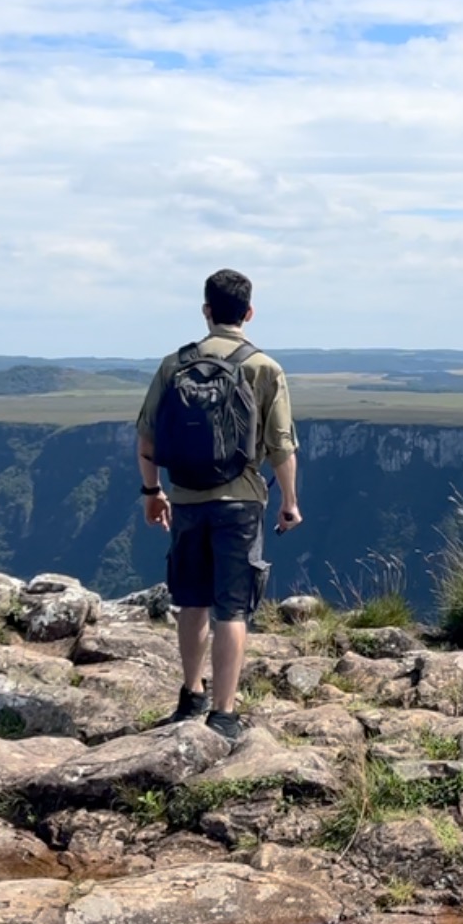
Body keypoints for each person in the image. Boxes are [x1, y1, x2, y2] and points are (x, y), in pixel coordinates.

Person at [136, 269, 301, 745]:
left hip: (186, 497)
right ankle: (224, 714)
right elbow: (282, 445)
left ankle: (192, 694)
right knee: (232, 608)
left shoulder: (173, 365)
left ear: (206, 311)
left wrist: (153, 493)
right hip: (242, 501)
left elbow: (146, 435)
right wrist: (289, 502)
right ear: (248, 313)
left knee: (191, 599)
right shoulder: (265, 368)